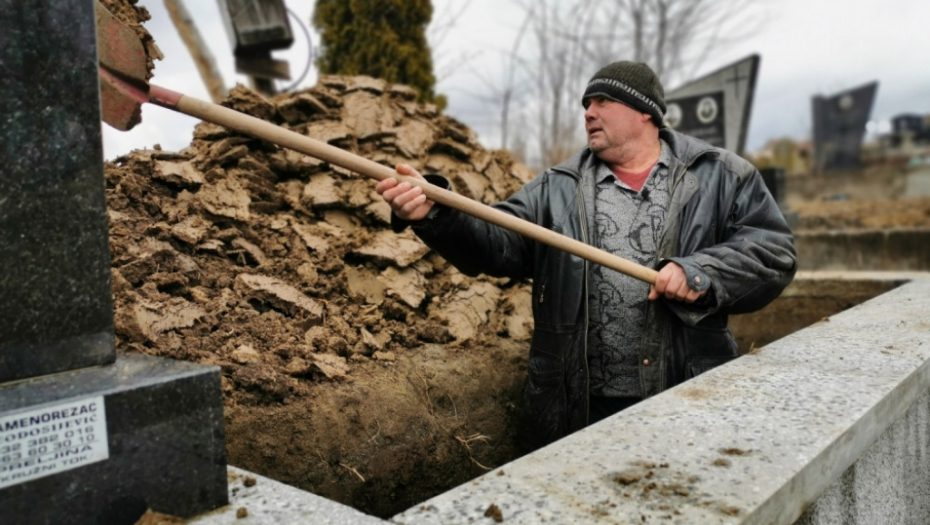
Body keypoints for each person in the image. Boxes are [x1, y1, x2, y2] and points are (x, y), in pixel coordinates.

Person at [376, 61, 796, 451]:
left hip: (687, 396)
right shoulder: (557, 186)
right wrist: (435, 212)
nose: (588, 113)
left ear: (644, 112)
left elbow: (771, 251)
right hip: (579, 405)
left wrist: (701, 273)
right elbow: (496, 242)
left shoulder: (721, 175)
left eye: (602, 102)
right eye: (586, 104)